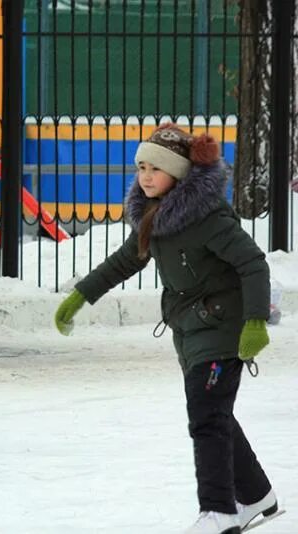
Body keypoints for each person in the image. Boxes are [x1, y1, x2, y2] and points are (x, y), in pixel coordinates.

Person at [54, 124, 279, 534]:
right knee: (216, 414)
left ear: (177, 172)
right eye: (141, 167)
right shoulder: (154, 218)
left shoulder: (208, 218)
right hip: (191, 328)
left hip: (224, 326)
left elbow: (253, 263)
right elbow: (124, 261)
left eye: (154, 168)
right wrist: (80, 296)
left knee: (206, 416)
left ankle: (219, 510)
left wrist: (254, 322)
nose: (145, 176)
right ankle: (256, 494)